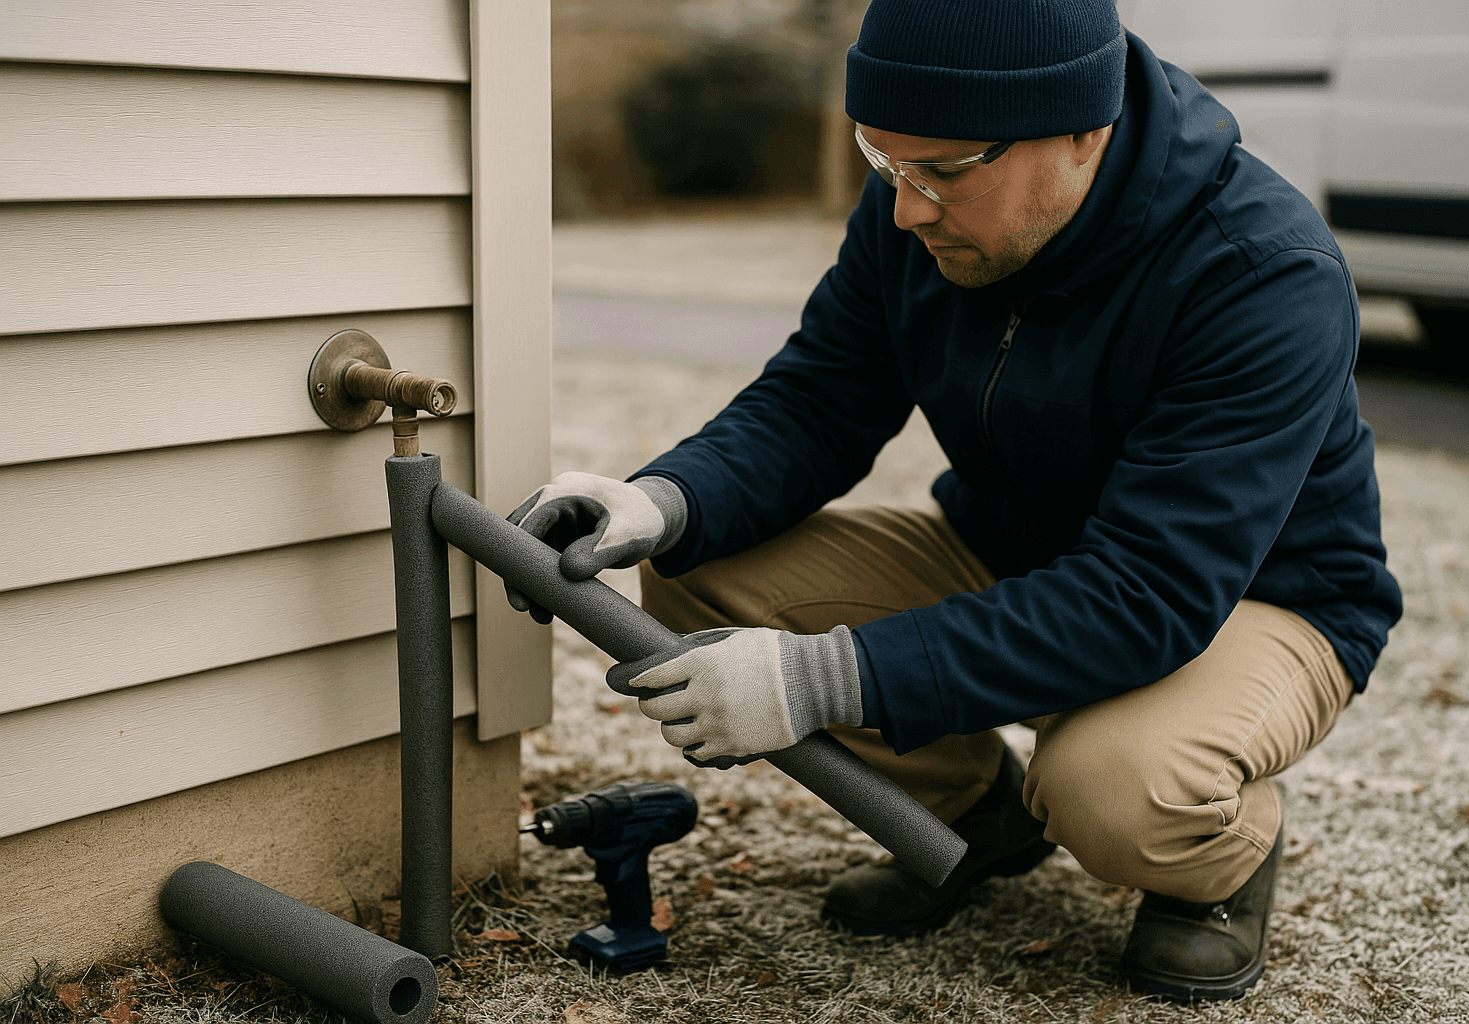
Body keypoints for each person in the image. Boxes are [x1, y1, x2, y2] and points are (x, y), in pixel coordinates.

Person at [508, 0, 1402, 1002]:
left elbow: (1145, 591)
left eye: (938, 171)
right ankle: (979, 813)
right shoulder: (922, 200)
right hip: (1016, 550)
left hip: (1249, 599)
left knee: (1112, 788)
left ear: (1082, 132)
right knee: (696, 563)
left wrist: (822, 677)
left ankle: (1224, 859)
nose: (905, 209)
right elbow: (818, 399)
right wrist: (658, 501)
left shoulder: (1260, 274)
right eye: (884, 163)